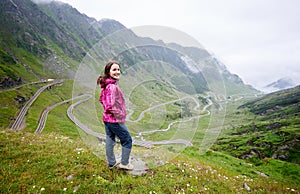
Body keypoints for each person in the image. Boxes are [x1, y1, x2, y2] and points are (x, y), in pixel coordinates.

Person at [97, 60, 133, 170]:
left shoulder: (106, 85)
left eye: (118, 69)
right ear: (108, 72)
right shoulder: (112, 86)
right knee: (127, 140)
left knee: (110, 140)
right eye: (114, 70)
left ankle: (111, 163)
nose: (117, 72)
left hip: (107, 119)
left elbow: (101, 100)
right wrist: (120, 114)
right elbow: (110, 105)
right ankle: (125, 163)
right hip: (115, 120)